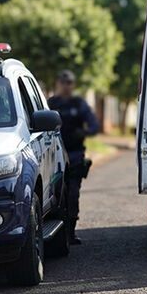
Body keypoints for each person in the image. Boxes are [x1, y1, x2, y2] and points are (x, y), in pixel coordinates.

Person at [47, 69, 100, 245]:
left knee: (73, 194)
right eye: (63, 83)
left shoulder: (79, 104)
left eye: (69, 83)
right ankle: (57, 234)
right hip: (55, 157)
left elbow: (93, 125)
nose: (66, 86)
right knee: (55, 195)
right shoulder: (51, 104)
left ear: (73, 84)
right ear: (58, 84)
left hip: (75, 155)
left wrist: (83, 132)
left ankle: (71, 232)